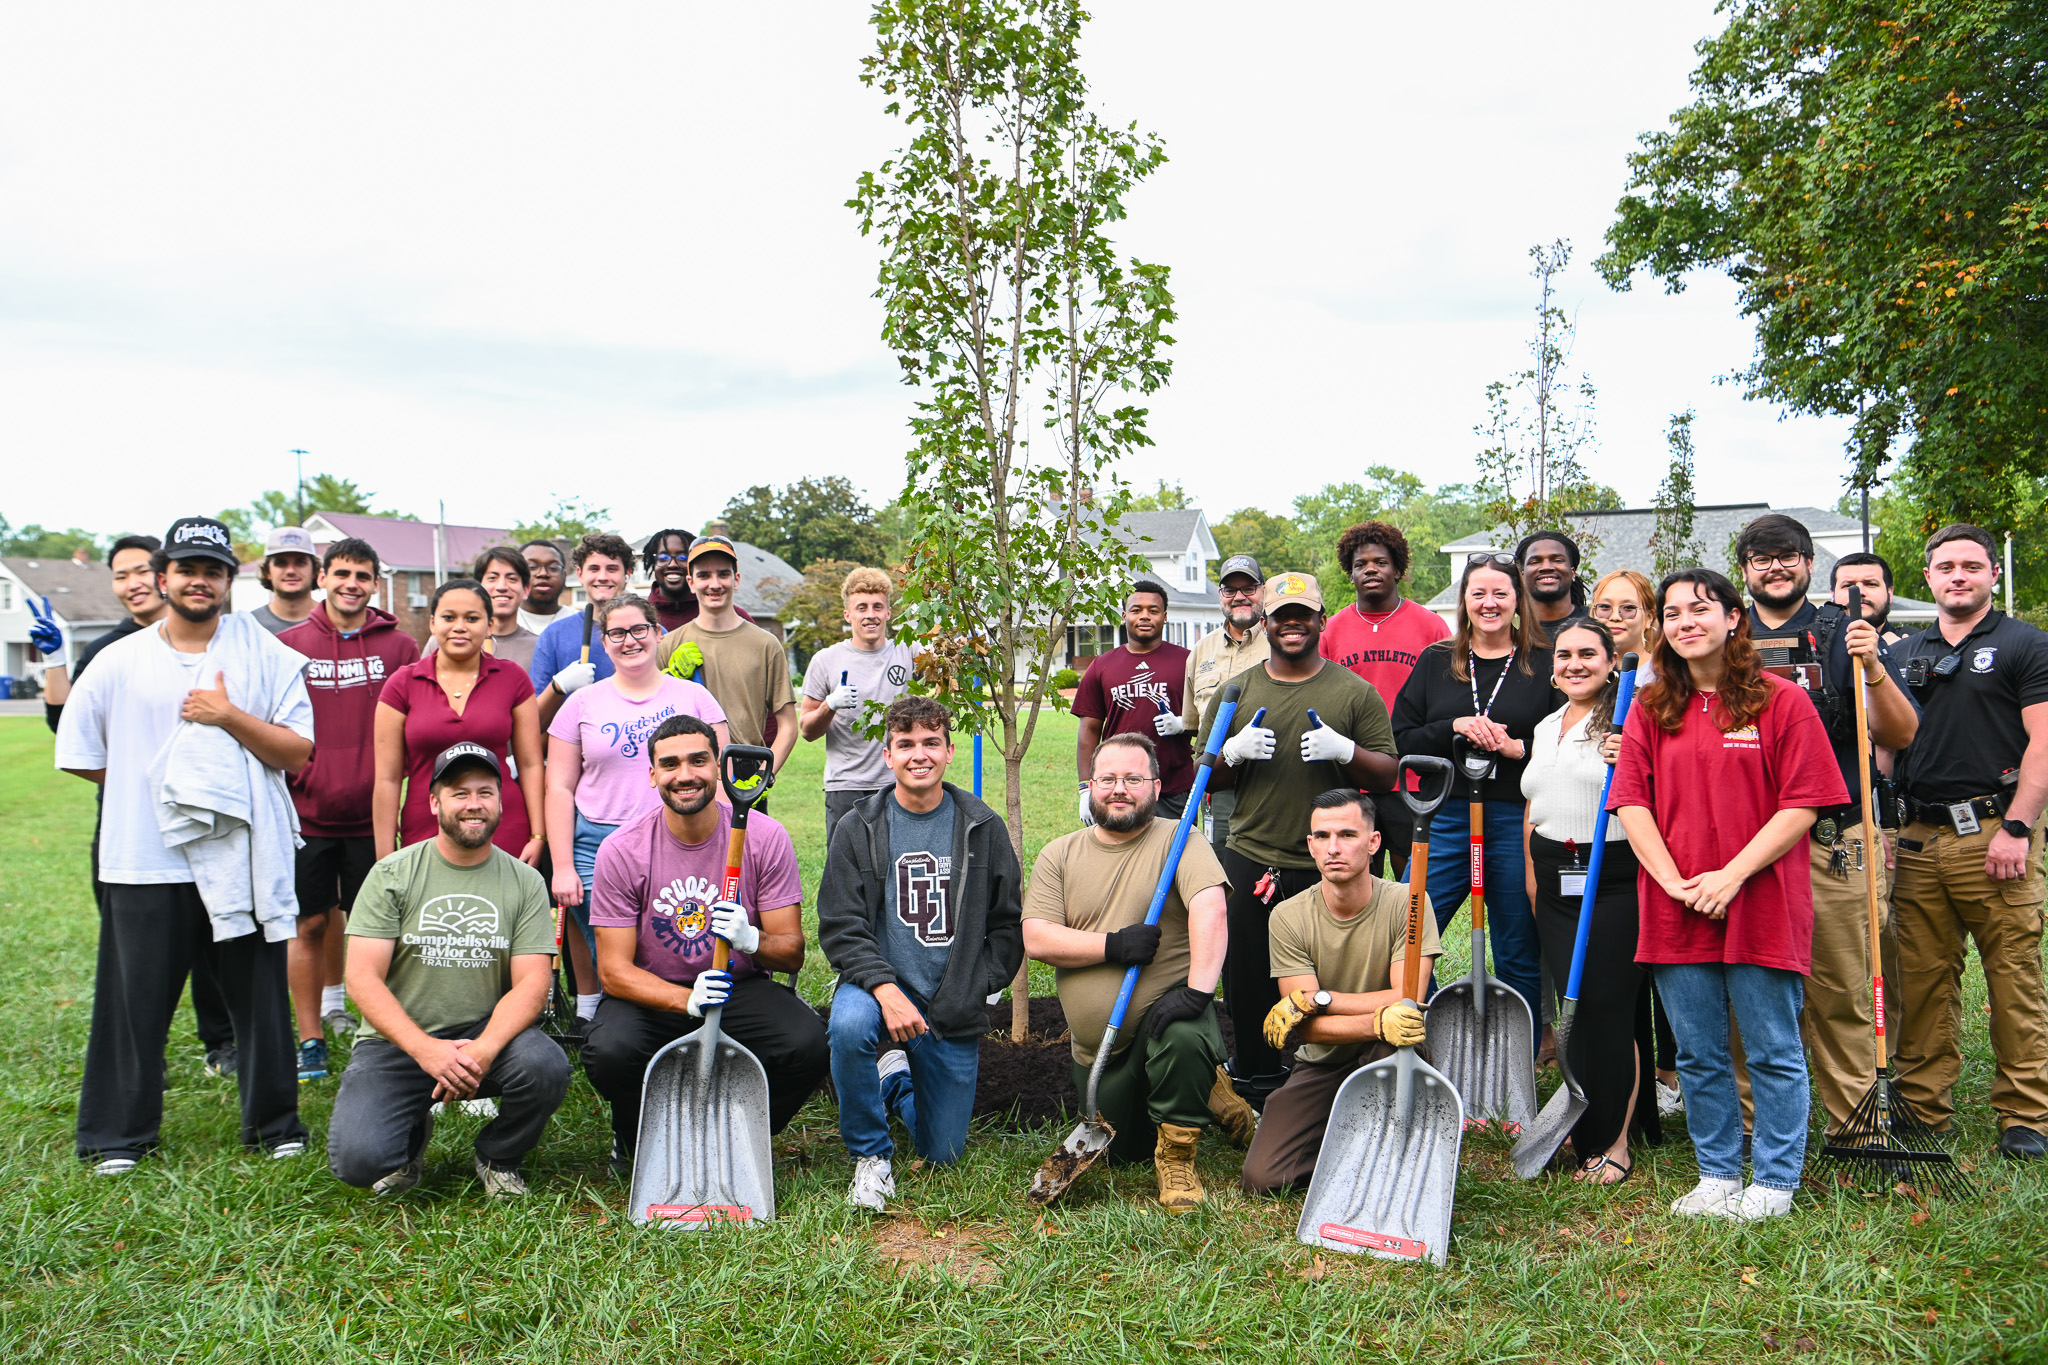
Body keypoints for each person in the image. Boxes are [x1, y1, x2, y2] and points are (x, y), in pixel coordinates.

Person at [54, 515, 315, 1173]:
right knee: (132, 1000)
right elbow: (82, 753)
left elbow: (297, 751)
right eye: (188, 568)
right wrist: (170, 788)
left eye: (213, 570)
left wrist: (228, 716)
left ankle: (273, 1122)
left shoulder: (267, 655)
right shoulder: (118, 660)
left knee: (258, 1000)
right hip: (143, 860)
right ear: (162, 577)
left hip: (242, 858)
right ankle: (118, 1135)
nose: (200, 581)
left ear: (229, 580)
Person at [1611, 569, 1847, 1220]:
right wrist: (1671, 881)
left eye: (1701, 608)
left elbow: (1803, 804)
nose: (1686, 621)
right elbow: (1630, 801)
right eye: (1675, 612)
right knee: (1697, 1051)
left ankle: (1774, 1180)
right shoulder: (1653, 708)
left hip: (1760, 895)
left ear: (1734, 618)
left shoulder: (1781, 702)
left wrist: (1730, 875)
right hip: (1676, 901)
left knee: (1772, 1046)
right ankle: (1717, 1173)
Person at [1735, 520, 1919, 1141]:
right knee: (1748, 995)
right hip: (1744, 846)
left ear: (1810, 564)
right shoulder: (1725, 637)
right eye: (1761, 559)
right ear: (1745, 571)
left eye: (1787, 557)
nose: (1775, 568)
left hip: (1833, 841)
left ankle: (1857, 1124)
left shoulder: (1848, 632)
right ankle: (1757, 1128)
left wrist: (1872, 668)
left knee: (1842, 987)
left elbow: (1900, 735)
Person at [582, 716, 828, 1162]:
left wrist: (751, 939)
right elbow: (614, 973)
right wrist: (685, 1001)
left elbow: (791, 953)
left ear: (720, 767)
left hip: (738, 988)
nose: (685, 775)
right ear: (653, 774)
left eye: (698, 760)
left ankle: (741, 1133)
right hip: (653, 995)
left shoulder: (764, 838)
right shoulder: (623, 850)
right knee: (609, 1050)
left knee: (807, 1042)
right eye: (670, 764)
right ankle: (636, 1133)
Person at [328, 743, 570, 1197]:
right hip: (399, 1039)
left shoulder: (524, 881)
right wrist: (425, 1050)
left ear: (501, 803)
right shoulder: (392, 874)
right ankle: (410, 1138)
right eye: (459, 793)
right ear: (434, 803)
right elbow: (361, 978)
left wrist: (484, 1048)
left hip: (486, 1032)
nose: (474, 804)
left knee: (545, 1066)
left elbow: (534, 984)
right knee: (359, 1163)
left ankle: (499, 1155)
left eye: (485, 792)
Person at [1023, 732, 1252, 1211]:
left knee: (1184, 1033)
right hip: (1098, 1053)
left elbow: (1210, 909)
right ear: (1090, 785)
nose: (1119, 788)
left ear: (1155, 784)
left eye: (1133, 778)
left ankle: (1178, 1158)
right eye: (1107, 779)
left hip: (1164, 1017)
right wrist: (1113, 945)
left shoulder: (1180, 838)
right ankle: (1214, 1091)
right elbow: (1037, 937)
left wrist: (1198, 991)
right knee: (1124, 1153)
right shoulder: (1060, 854)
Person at [35, 537, 238, 1077]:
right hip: (130, 830)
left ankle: (223, 1042)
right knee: (139, 954)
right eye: (120, 575)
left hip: (208, 825)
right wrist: (54, 660)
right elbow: (68, 731)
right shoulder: (108, 650)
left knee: (213, 942)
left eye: (141, 571)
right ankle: (144, 1053)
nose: (133, 584)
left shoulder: (212, 642)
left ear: (163, 575)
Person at [1196, 571, 1398, 1105]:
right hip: (1251, 853)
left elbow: (1388, 774)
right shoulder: (1235, 693)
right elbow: (1202, 775)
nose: (1292, 626)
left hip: (1334, 861)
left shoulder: (1353, 692)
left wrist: (1348, 752)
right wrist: (1231, 753)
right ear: (1265, 623)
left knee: (1340, 971)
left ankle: (1339, 1074)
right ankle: (1258, 1075)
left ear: (1320, 622)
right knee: (1248, 974)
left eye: (1303, 616)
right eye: (1282, 617)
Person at [818, 696, 1024, 1210]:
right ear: (886, 755)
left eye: (931, 743)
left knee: (944, 1152)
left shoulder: (982, 826)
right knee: (847, 1027)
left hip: (950, 1000)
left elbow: (1007, 924)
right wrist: (885, 990)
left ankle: (895, 1084)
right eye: (905, 744)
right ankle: (871, 1155)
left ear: (950, 751)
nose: (919, 755)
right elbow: (841, 926)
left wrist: (977, 985)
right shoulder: (858, 827)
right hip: (878, 985)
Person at [1890, 524, 2048, 1161]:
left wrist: (2018, 826)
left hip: (1994, 834)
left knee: (2013, 978)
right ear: (1927, 577)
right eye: (1946, 567)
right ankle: (1924, 1107)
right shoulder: (1901, 653)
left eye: (1972, 566)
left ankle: (2026, 1115)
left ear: (1992, 575)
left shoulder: (2024, 644)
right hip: (1916, 839)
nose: (1959, 576)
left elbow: (2043, 741)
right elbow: (1883, 747)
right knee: (1922, 983)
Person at [1390, 553, 1557, 1037]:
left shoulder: (1543, 665)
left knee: (1516, 943)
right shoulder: (1437, 661)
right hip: (1444, 816)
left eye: (1500, 593)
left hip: (1513, 817)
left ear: (1517, 601)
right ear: (1463, 601)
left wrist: (1514, 747)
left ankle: (1516, 1060)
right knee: (1412, 927)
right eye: (1478, 593)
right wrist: (1455, 726)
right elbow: (1402, 739)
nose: (1490, 603)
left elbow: (1565, 745)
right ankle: (1428, 1033)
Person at [545, 593, 728, 1032]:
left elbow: (720, 776)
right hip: (598, 842)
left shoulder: (695, 697)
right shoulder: (581, 704)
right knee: (611, 947)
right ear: (604, 643)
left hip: (681, 839)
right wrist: (564, 865)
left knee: (676, 933)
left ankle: (685, 1013)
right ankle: (616, 1024)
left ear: (658, 634)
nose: (630, 641)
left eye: (639, 630)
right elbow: (559, 785)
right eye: (617, 633)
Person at [1240, 789, 1438, 1193]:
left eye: (1348, 835)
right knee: (1263, 1179)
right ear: (1310, 846)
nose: (1334, 848)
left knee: (1395, 1040)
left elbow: (1406, 998)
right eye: (1323, 837)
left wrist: (1317, 1000)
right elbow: (1309, 1031)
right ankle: (1350, 1142)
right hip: (1323, 1060)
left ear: (1373, 842)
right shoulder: (1288, 916)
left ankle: (1386, 1149)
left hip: (1394, 1052)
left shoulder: (1409, 902)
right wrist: (1376, 1019)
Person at [277, 536, 421, 1082]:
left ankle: (376, 1032)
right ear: (323, 578)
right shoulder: (289, 644)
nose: (351, 584)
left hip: (375, 818)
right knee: (309, 923)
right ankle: (310, 1037)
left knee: (376, 932)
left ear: (375, 583)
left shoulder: (400, 648)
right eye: (341, 573)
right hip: (308, 814)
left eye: (362, 575)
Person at [1520, 618, 1660, 1184]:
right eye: (1564, 655)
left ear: (1611, 663)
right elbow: (1535, 807)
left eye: (1588, 654)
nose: (1574, 664)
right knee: (1572, 1013)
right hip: (1555, 879)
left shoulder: (1633, 719)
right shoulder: (1546, 724)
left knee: (1605, 1009)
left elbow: (1657, 792)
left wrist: (1631, 756)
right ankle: (1584, 1122)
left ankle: (1616, 1141)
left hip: (1614, 877)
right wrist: (1534, 883)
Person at [374, 579, 545, 864]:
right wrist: (384, 856)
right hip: (426, 826)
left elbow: (530, 764)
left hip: (502, 826)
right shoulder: (402, 683)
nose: (460, 626)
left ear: (490, 625)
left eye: (472, 618)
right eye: (449, 617)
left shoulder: (513, 678)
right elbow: (388, 778)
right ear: (432, 623)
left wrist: (538, 835)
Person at [1319, 521, 1451, 877]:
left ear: (1398, 568)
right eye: (1361, 564)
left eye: (1380, 561)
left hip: (1412, 772)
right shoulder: (1332, 630)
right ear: (1351, 573)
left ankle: (1409, 933)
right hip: (1351, 772)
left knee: (1411, 871)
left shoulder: (1432, 627)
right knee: (1356, 871)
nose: (1371, 569)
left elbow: (1448, 695)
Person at [655, 533, 798, 774]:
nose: (714, 584)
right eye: (704, 575)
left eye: (723, 574)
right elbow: (652, 720)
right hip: (687, 770)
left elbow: (788, 725)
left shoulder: (765, 644)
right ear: (691, 582)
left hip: (747, 765)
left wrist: (765, 775)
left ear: (737, 579)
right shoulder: (668, 645)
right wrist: (670, 680)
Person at [802, 566, 917, 837]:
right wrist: (830, 705)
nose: (870, 615)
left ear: (888, 613)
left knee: (894, 868)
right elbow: (807, 730)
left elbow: (944, 667)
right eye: (861, 607)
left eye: (878, 607)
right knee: (846, 870)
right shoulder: (826, 660)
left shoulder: (908, 651)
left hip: (896, 780)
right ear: (848, 615)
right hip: (846, 785)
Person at [1075, 581, 1196, 823]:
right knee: (1119, 857)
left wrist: (1183, 723)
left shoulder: (1188, 661)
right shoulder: (1102, 666)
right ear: (1124, 616)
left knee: (1174, 857)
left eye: (1153, 610)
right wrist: (1085, 788)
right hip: (1118, 789)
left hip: (1174, 787)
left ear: (1165, 616)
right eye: (1136, 609)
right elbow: (1089, 730)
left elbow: (1209, 719)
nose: (1144, 616)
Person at [1177, 554, 1269, 858]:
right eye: (1230, 590)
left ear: (1263, 591)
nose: (1239, 596)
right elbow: (1192, 726)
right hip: (1219, 784)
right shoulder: (1202, 650)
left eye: (1249, 588)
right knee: (1221, 864)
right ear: (1220, 595)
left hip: (1271, 780)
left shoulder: (1279, 642)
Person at [531, 532, 635, 729]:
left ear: (627, 574)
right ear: (579, 574)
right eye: (594, 569)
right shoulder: (554, 636)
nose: (602, 577)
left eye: (612, 569)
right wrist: (559, 687)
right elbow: (534, 723)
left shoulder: (649, 634)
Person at [465, 546, 539, 672]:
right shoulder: (449, 640)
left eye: (512, 579)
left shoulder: (539, 647)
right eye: (492, 578)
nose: (502, 587)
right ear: (477, 588)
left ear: (526, 590)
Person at [1516, 530, 1589, 645]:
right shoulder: (1511, 625)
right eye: (1535, 562)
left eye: (1557, 560)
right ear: (1522, 574)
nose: (1546, 567)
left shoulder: (1594, 620)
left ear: (1573, 572)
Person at [247, 526, 320, 636]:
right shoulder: (250, 626)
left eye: (300, 562)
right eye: (280, 563)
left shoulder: (337, 621)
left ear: (314, 570)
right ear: (267, 572)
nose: (290, 571)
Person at [517, 539, 571, 636]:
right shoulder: (501, 622)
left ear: (564, 576)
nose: (543, 574)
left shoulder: (582, 624)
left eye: (553, 568)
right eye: (532, 567)